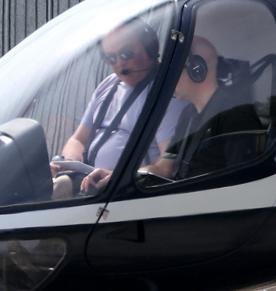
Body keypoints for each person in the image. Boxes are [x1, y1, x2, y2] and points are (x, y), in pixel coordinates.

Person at [51, 20, 187, 197]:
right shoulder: (108, 85)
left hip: (125, 194)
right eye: (111, 58)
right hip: (89, 187)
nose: (119, 64)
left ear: (150, 47)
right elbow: (78, 140)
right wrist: (68, 164)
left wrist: (119, 177)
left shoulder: (169, 95)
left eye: (126, 53)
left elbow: (166, 168)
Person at [139, 35, 266, 185]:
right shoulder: (187, 114)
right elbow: (164, 167)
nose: (168, 80)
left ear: (197, 70)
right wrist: (124, 178)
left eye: (172, 71)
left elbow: (242, 183)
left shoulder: (235, 114)